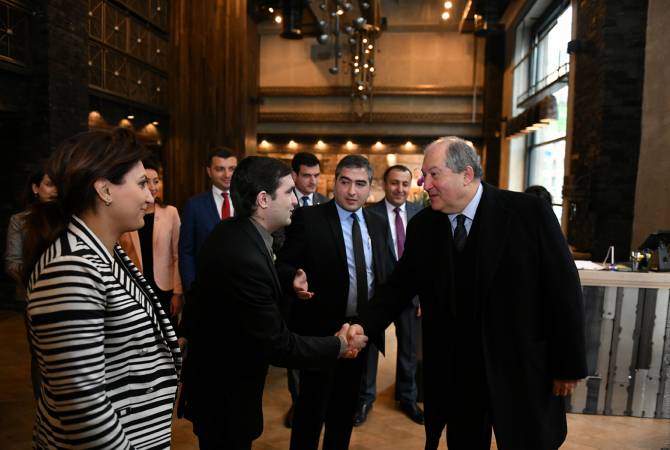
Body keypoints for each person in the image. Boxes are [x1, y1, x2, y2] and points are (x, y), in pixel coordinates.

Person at [348, 136, 587, 450]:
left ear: (467, 175)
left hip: (521, 370)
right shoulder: (424, 227)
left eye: (434, 174)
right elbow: (397, 288)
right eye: (424, 174)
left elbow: (564, 291)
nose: (424, 182)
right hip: (458, 377)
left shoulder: (528, 213)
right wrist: (363, 325)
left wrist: (568, 365)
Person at [180, 156, 367, 450]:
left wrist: (288, 283)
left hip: (220, 386)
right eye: (289, 192)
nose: (295, 200)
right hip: (225, 394)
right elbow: (278, 345)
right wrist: (339, 345)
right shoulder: (245, 255)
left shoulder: (235, 233)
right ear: (264, 199)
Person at [23, 128, 181, 449]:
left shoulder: (106, 251)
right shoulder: (71, 267)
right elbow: (83, 403)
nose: (150, 197)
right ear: (104, 190)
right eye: (141, 185)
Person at [276, 155, 395, 450]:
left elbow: (383, 276)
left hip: (359, 334)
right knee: (310, 412)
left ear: (370, 187)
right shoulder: (309, 219)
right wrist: (293, 279)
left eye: (360, 184)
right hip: (320, 336)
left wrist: (370, 323)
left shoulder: (378, 224)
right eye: (345, 182)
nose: (352, 191)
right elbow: (283, 265)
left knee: (344, 411)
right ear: (335, 183)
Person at [356, 164, 424, 426]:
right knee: (369, 349)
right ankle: (365, 398)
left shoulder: (421, 214)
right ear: (384, 185)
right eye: (394, 183)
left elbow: (426, 261)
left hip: (410, 296)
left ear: (411, 186)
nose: (400, 189)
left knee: (408, 350)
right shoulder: (368, 214)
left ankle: (408, 398)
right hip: (378, 296)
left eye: (405, 184)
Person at [283, 151, 329, 428]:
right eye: (307, 176)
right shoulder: (284, 202)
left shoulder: (325, 204)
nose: (312, 181)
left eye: (316, 175)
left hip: (320, 292)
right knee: (295, 351)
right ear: (295, 176)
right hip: (291, 289)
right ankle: (298, 404)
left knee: (316, 350)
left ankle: (314, 405)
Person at [4, 168, 57, 400]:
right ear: (36, 188)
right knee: (41, 355)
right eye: (48, 184)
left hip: (67, 295)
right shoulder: (20, 221)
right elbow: (12, 262)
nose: (54, 190)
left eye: (58, 185)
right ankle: (43, 404)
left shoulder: (66, 218)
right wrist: (40, 282)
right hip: (33, 297)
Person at [119, 157, 184, 331]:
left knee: (168, 334)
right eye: (146, 182)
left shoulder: (171, 212)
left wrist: (178, 292)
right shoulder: (127, 215)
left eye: (156, 181)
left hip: (164, 288)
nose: (153, 187)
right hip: (135, 288)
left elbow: (178, 255)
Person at [179, 146, 237, 295]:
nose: (227, 174)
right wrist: (191, 289)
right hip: (205, 289)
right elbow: (186, 251)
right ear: (209, 171)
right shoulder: (194, 205)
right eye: (220, 169)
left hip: (240, 288)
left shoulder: (247, 203)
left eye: (232, 169)